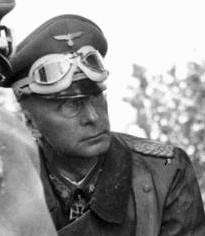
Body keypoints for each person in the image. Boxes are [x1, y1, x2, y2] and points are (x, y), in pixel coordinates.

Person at [2, 14, 205, 235]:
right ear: (29, 121)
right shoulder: (9, 179)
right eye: (70, 106)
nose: (93, 117)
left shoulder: (166, 170)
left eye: (97, 97)